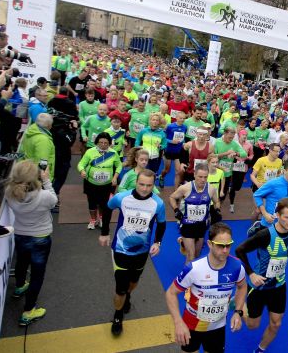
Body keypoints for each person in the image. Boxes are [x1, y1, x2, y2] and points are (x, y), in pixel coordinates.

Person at [99, 169, 166, 336]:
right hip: (121, 249)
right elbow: (107, 209)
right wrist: (104, 232)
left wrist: (158, 243)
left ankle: (128, 295)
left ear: (153, 185)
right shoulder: (122, 198)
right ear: (136, 182)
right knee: (120, 288)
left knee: (133, 282)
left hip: (141, 251)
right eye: (141, 184)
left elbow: (162, 223)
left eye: (149, 185)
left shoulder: (158, 203)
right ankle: (118, 316)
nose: (144, 189)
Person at [235, 198, 288, 353]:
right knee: (252, 326)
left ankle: (261, 349)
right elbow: (239, 250)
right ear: (278, 216)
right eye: (286, 217)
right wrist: (251, 274)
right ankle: (238, 304)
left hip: (279, 284)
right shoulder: (265, 235)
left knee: (276, 323)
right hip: (259, 286)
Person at [165, 222, 246, 353]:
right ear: (209, 244)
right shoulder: (194, 268)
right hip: (192, 325)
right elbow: (171, 293)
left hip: (218, 327)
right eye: (220, 246)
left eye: (228, 245)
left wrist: (238, 312)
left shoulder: (237, 267)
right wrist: (178, 323)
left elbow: (242, 287)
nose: (225, 250)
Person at [4, 160, 57, 326]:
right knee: (37, 275)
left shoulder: (9, 192)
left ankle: (19, 286)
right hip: (41, 237)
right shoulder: (44, 196)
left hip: (20, 234)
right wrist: (47, 180)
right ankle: (28, 311)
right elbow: (54, 200)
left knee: (21, 262)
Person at [170, 164, 221, 263]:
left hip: (201, 226)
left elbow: (217, 201)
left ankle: (183, 242)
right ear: (194, 175)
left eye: (205, 177)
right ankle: (186, 278)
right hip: (187, 225)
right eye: (200, 177)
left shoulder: (211, 189)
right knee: (191, 256)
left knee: (197, 256)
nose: (203, 180)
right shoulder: (186, 188)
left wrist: (217, 209)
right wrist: (176, 210)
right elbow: (171, 197)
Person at [77, 132, 122, 230]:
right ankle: (93, 220)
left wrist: (115, 177)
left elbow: (119, 165)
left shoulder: (113, 153)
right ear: (97, 142)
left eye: (106, 143)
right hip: (91, 183)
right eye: (101, 142)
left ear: (109, 143)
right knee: (92, 202)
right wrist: (82, 171)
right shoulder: (90, 152)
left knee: (103, 203)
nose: (103, 145)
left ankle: (101, 218)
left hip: (106, 184)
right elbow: (81, 164)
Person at [252, 159, 288, 236]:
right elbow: (257, 195)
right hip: (269, 224)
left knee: (280, 247)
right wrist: (265, 214)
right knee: (264, 247)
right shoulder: (273, 183)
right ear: (284, 171)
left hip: (284, 224)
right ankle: (256, 228)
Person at [22, 113, 56, 182]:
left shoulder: (30, 131)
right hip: (37, 179)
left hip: (27, 171)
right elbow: (42, 162)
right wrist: (43, 181)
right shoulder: (43, 140)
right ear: (48, 125)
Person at [159, 111, 187, 188]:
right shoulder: (170, 126)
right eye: (180, 118)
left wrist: (184, 143)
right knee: (167, 170)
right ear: (176, 118)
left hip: (178, 152)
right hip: (169, 151)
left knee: (178, 171)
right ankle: (161, 177)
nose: (182, 120)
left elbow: (182, 138)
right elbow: (163, 138)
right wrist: (171, 141)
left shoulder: (185, 127)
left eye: (183, 118)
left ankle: (176, 189)